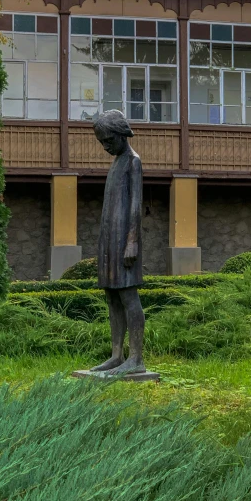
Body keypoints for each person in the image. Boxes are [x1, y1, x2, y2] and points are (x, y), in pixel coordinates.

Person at [91, 110, 146, 375]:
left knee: (128, 295)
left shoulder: (133, 162)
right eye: (102, 142)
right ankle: (116, 354)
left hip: (125, 240)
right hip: (110, 240)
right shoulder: (115, 163)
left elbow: (135, 206)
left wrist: (132, 241)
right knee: (112, 296)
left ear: (122, 134)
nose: (105, 146)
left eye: (109, 140)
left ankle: (136, 358)